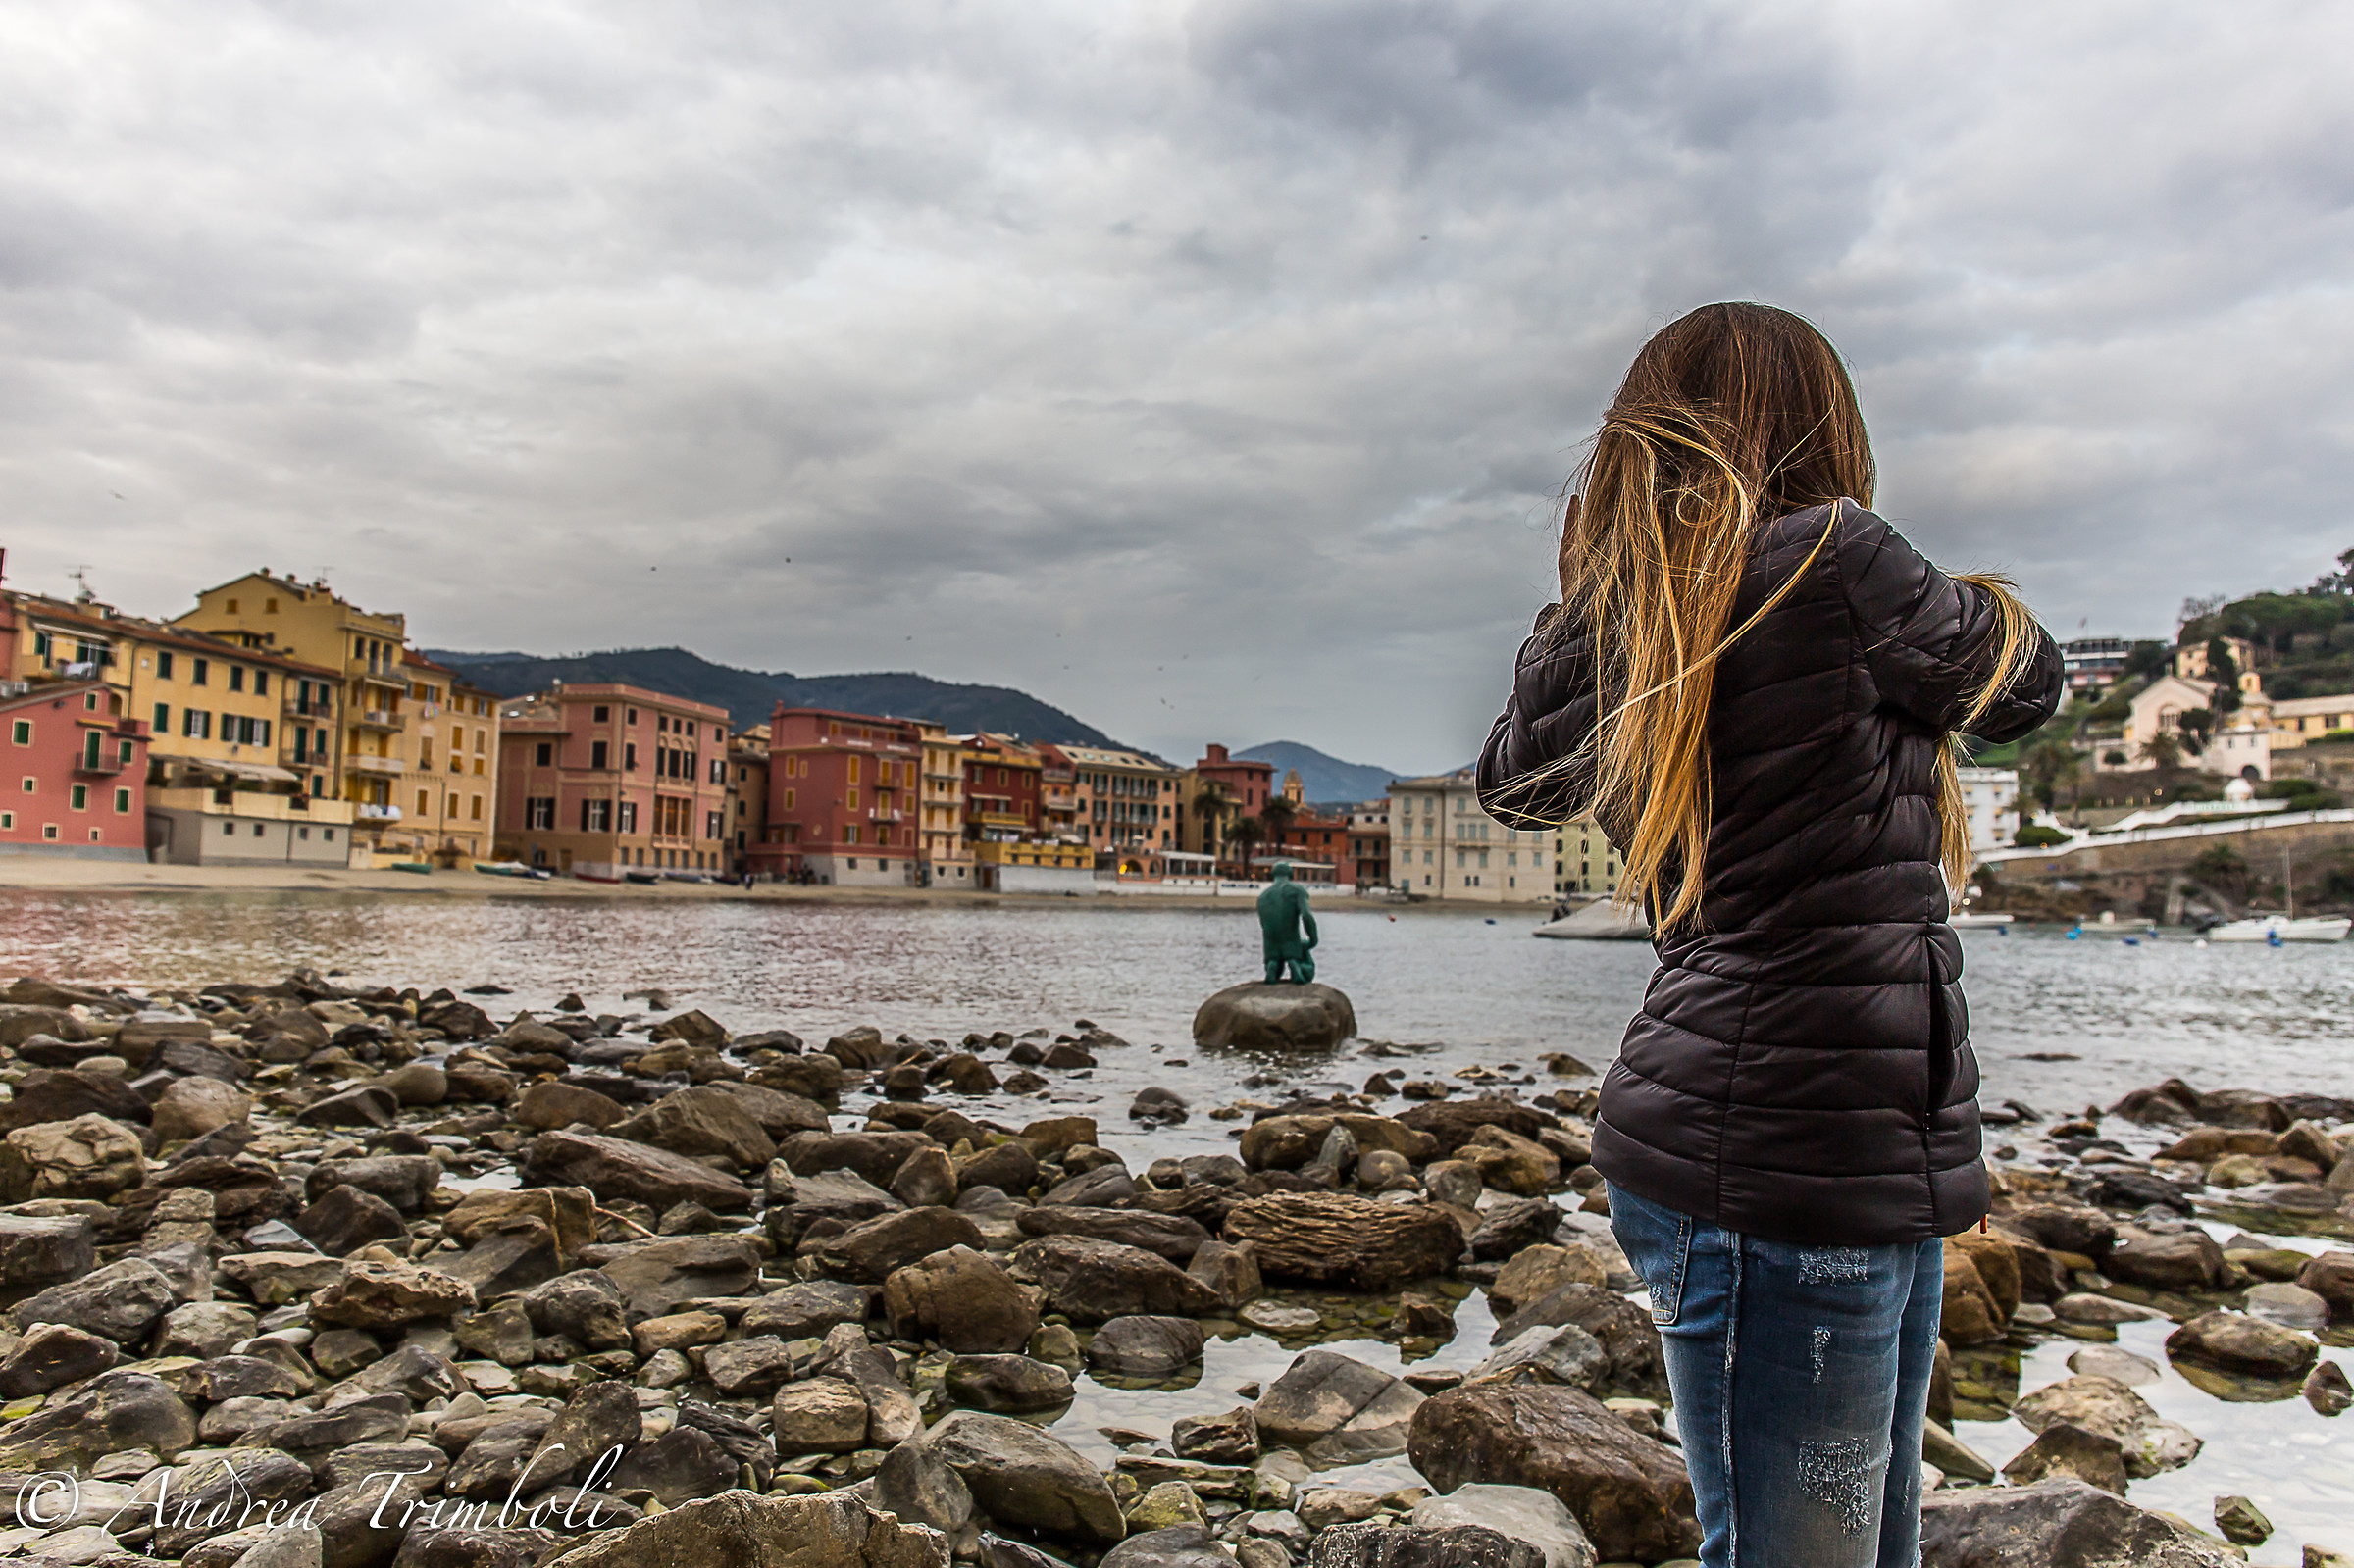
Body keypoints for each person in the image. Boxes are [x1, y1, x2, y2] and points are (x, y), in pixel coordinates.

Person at [1477, 302, 2061, 1567]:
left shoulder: (1646, 620)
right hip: (1792, 1148)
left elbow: (1516, 777)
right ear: (1823, 429)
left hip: (1806, 1143)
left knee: (1850, 1548)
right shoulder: (1836, 565)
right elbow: (2026, 679)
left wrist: (1612, 588)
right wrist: (1979, 593)